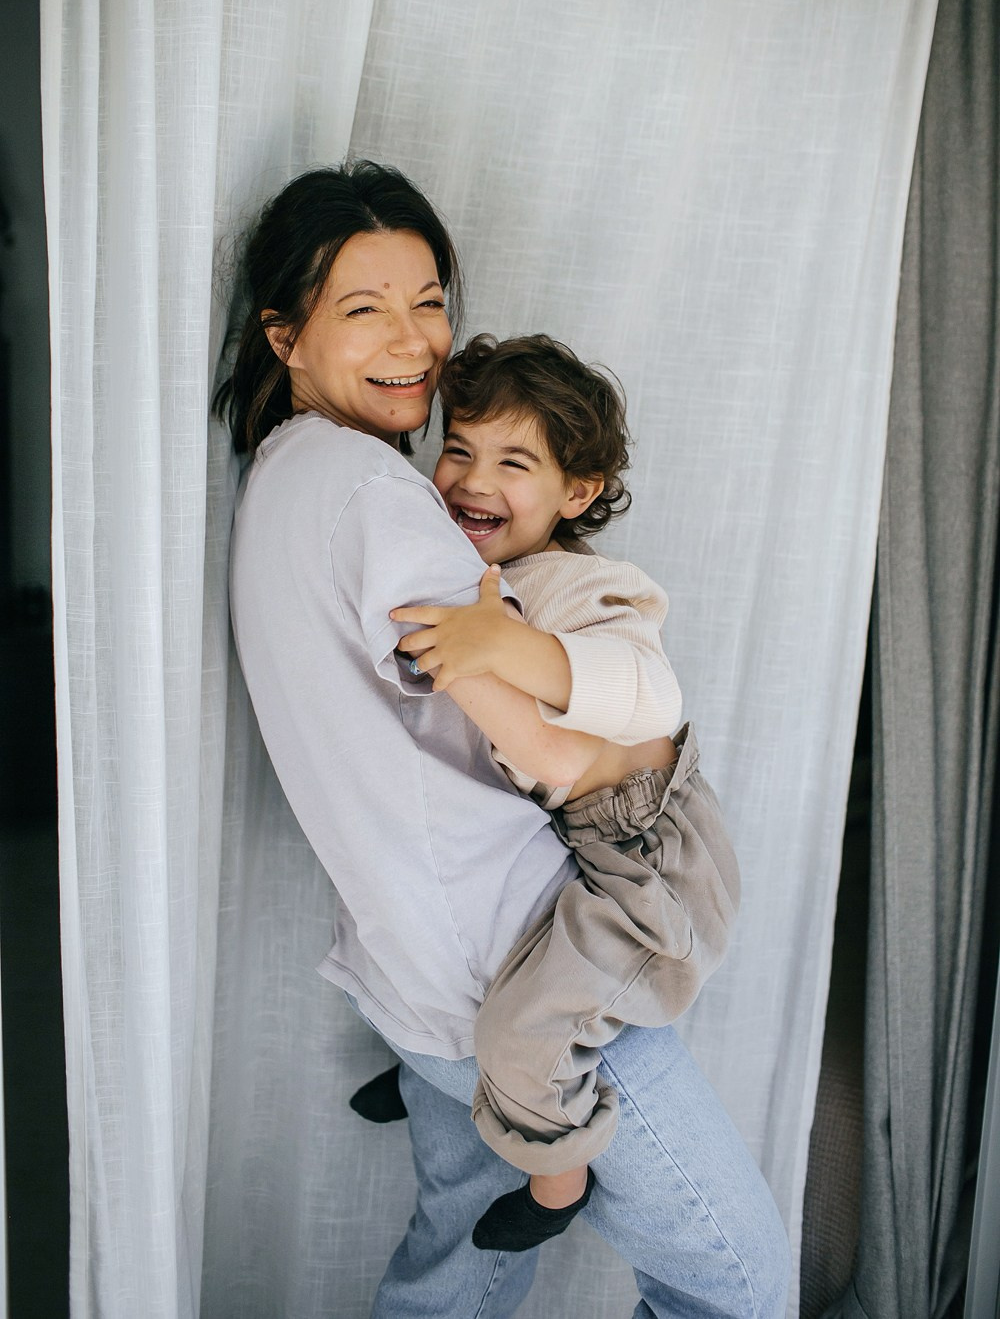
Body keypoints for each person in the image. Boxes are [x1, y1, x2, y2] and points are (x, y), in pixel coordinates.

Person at [216, 159, 790, 1318]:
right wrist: (649, 762)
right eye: (365, 307)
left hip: (414, 978)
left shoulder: (283, 480)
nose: (412, 340)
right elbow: (561, 759)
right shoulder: (377, 501)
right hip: (525, 964)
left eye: (428, 301)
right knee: (739, 1284)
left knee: (458, 1266)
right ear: (285, 336)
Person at [352, 331, 740, 1254]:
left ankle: (556, 1173)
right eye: (459, 449)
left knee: (527, 1029)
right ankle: (430, 1071)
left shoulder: (585, 587)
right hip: (579, 834)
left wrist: (503, 647)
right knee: (440, 935)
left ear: (578, 492)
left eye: (513, 463)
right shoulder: (475, 573)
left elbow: (647, 695)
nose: (473, 480)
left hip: (650, 868)